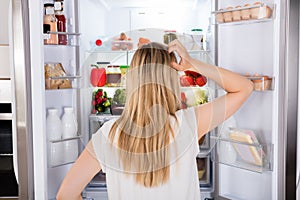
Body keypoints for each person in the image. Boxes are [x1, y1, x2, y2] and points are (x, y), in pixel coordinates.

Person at [56, 40, 253, 200]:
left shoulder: (108, 135)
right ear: (171, 79)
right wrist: (193, 63)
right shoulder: (189, 123)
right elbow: (244, 87)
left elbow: (66, 194)